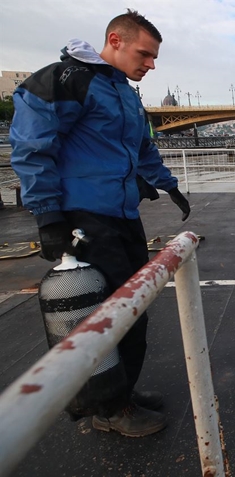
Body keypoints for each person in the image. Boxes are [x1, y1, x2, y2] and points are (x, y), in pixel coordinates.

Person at [10, 10, 190, 437]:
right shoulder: (68, 79)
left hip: (122, 215)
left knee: (132, 310)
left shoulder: (123, 93)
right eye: (145, 54)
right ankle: (110, 409)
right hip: (85, 218)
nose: (151, 64)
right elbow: (34, 147)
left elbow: (142, 149)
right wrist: (48, 215)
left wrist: (169, 185)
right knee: (108, 315)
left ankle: (119, 392)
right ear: (115, 40)